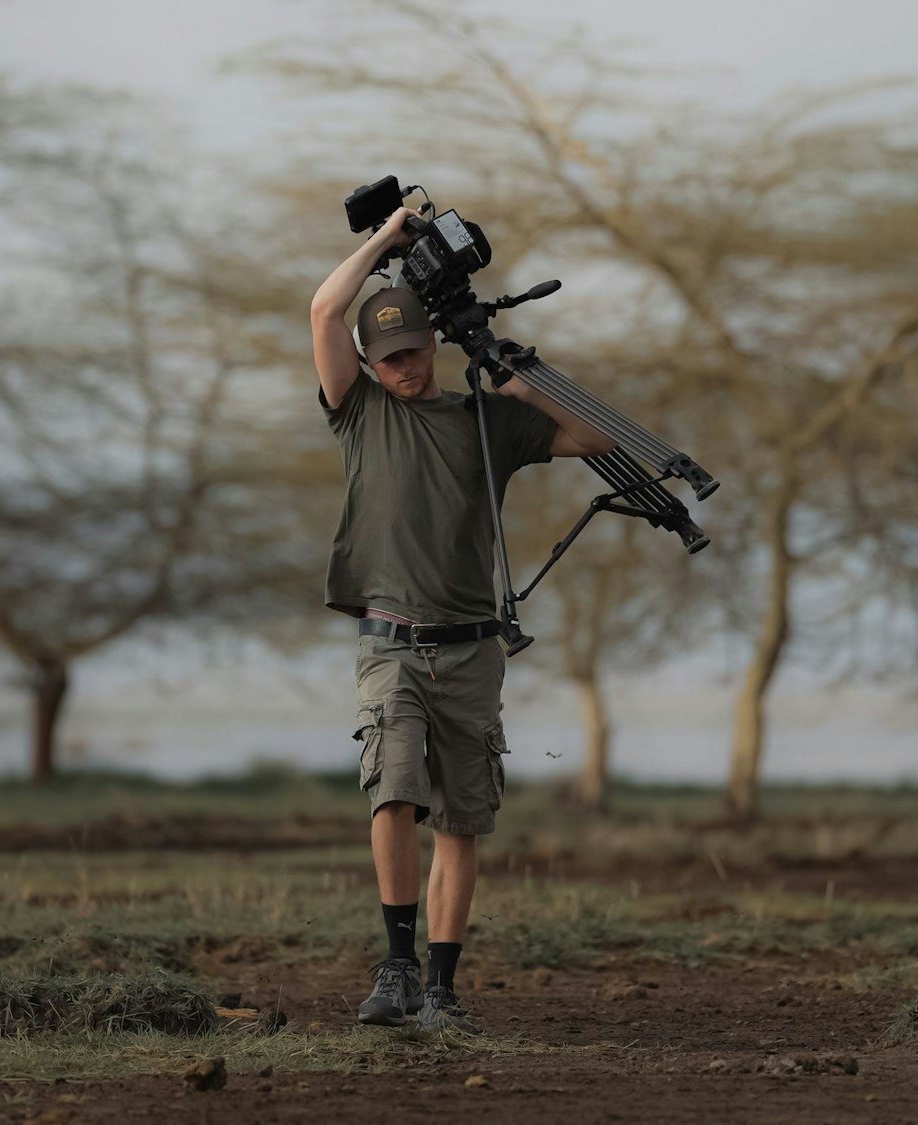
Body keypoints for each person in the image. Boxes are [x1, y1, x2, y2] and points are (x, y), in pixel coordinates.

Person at [309, 206, 616, 1032]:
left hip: (473, 649)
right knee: (393, 796)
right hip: (390, 644)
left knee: (462, 821)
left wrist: (519, 376)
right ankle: (398, 965)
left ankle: (443, 989)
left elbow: (591, 436)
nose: (403, 367)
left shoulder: (487, 422)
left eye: (413, 350)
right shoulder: (360, 411)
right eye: (388, 358)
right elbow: (321, 312)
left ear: (433, 345)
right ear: (370, 363)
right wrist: (384, 240)